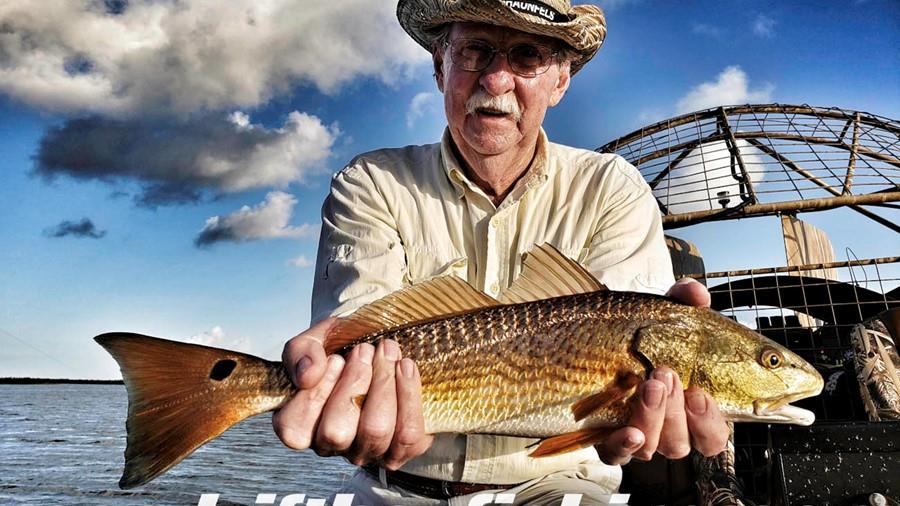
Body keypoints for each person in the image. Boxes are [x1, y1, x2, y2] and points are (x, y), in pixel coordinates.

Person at [272, 0, 730, 503]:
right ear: (439, 67)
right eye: (475, 51)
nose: (495, 80)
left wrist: (637, 421)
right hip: (393, 489)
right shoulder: (372, 183)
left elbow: (630, 354)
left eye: (528, 55)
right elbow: (355, 333)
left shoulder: (612, 186)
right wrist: (326, 376)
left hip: (558, 485)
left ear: (559, 83)